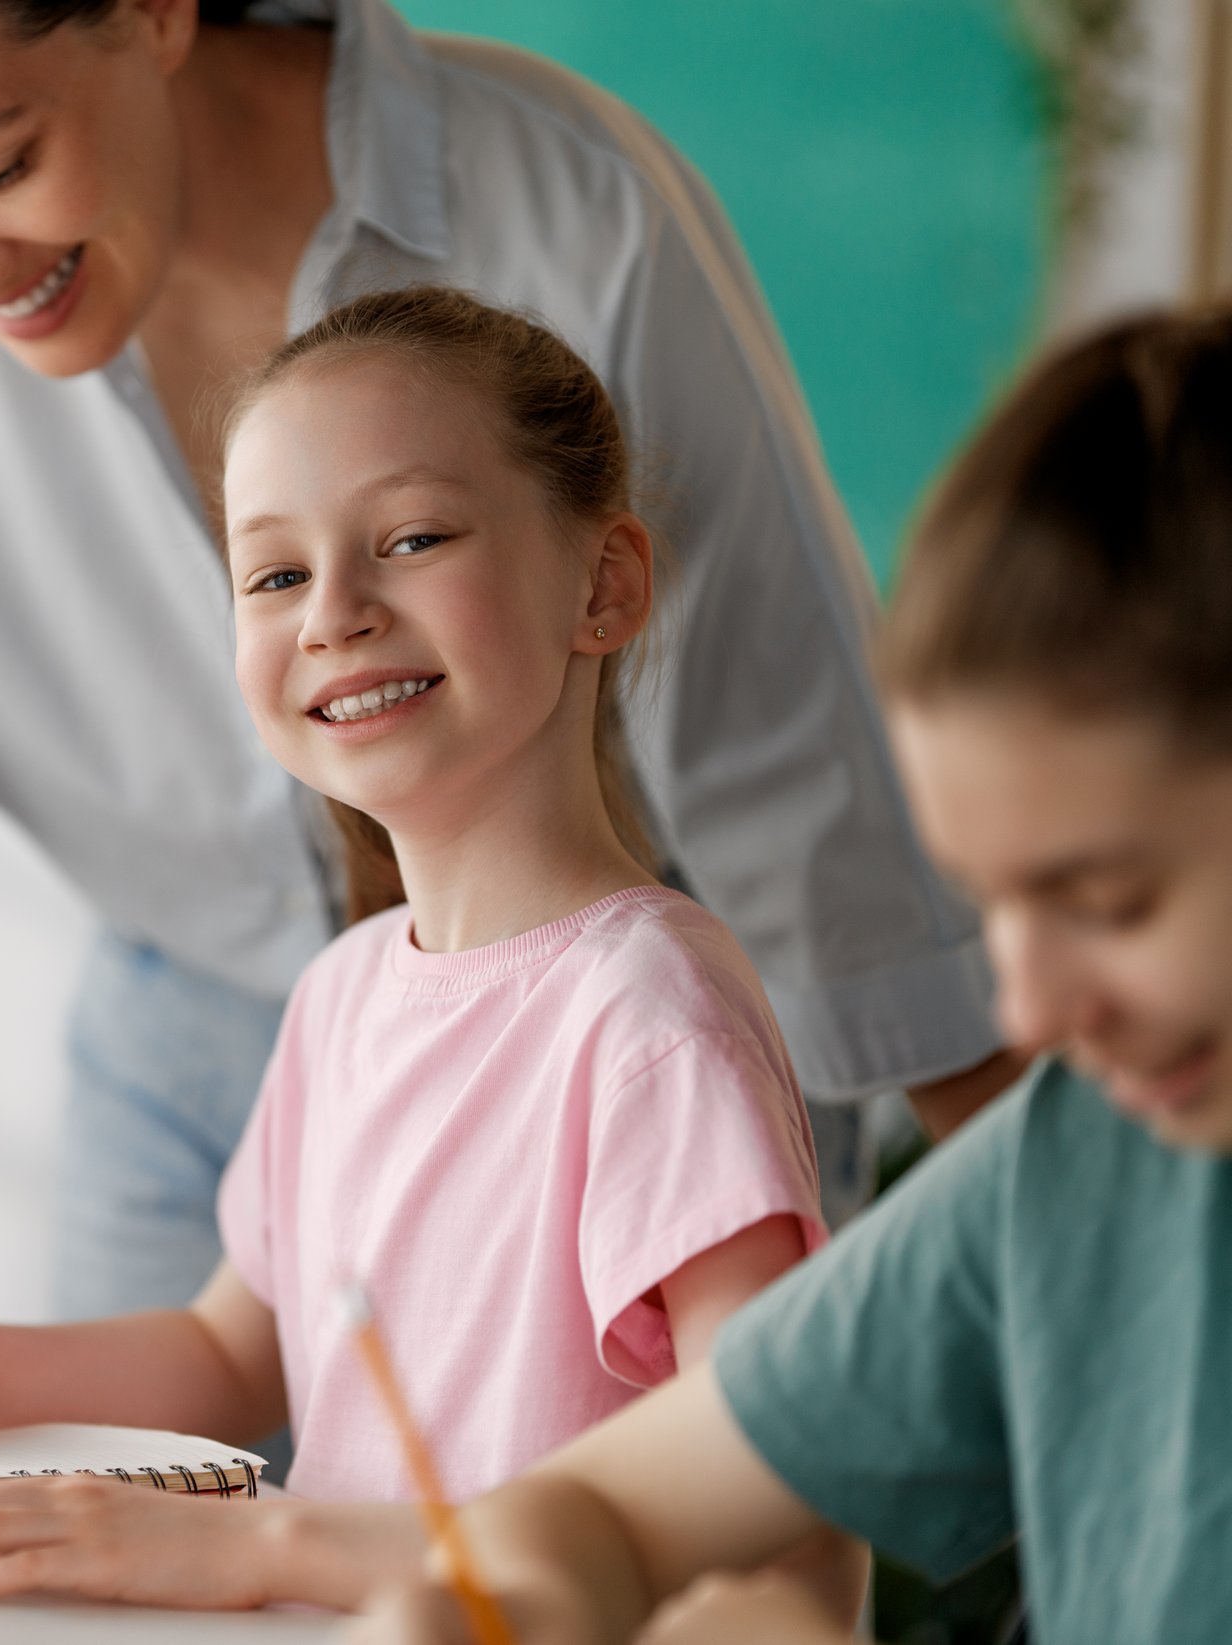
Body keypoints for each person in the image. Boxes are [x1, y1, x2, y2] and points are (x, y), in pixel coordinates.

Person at [0, 0, 1016, 1401]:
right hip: (196, 1031)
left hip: (585, 1054)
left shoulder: (563, 205)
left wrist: (1087, 1288)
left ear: (160, 11)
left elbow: (808, 788)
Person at [0, 289, 859, 1620]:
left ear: (602, 583)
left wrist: (260, 1548)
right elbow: (233, 1353)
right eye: (275, 573)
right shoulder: (343, 996)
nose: (333, 612)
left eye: (411, 538)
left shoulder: (649, 1018)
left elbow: (787, 1534)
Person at [354, 307, 1232, 1644]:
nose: (1031, 1012)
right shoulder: (1084, 1164)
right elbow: (601, 1511)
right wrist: (535, 1592)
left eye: (1108, 900)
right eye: (990, 905)